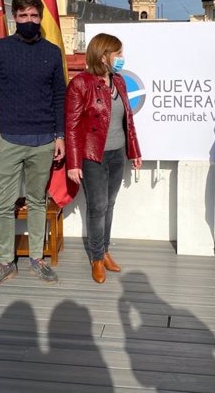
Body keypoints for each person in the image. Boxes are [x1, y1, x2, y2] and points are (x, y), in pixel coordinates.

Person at [0, 0, 66, 289]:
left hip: (43, 140)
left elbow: (59, 97)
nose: (29, 20)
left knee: (37, 201)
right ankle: (5, 261)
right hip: (8, 140)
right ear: (14, 17)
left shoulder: (52, 52)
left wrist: (60, 136)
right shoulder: (0, 49)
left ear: (40, 17)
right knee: (3, 203)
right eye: (23, 15)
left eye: (34, 15)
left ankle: (36, 259)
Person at [65, 33, 141, 284]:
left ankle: (105, 250)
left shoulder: (118, 81)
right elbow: (72, 126)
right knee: (97, 207)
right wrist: (74, 163)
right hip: (92, 156)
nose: (121, 58)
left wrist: (135, 152)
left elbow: (127, 119)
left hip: (117, 154)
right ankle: (96, 258)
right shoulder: (81, 84)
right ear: (103, 55)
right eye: (117, 54)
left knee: (109, 204)